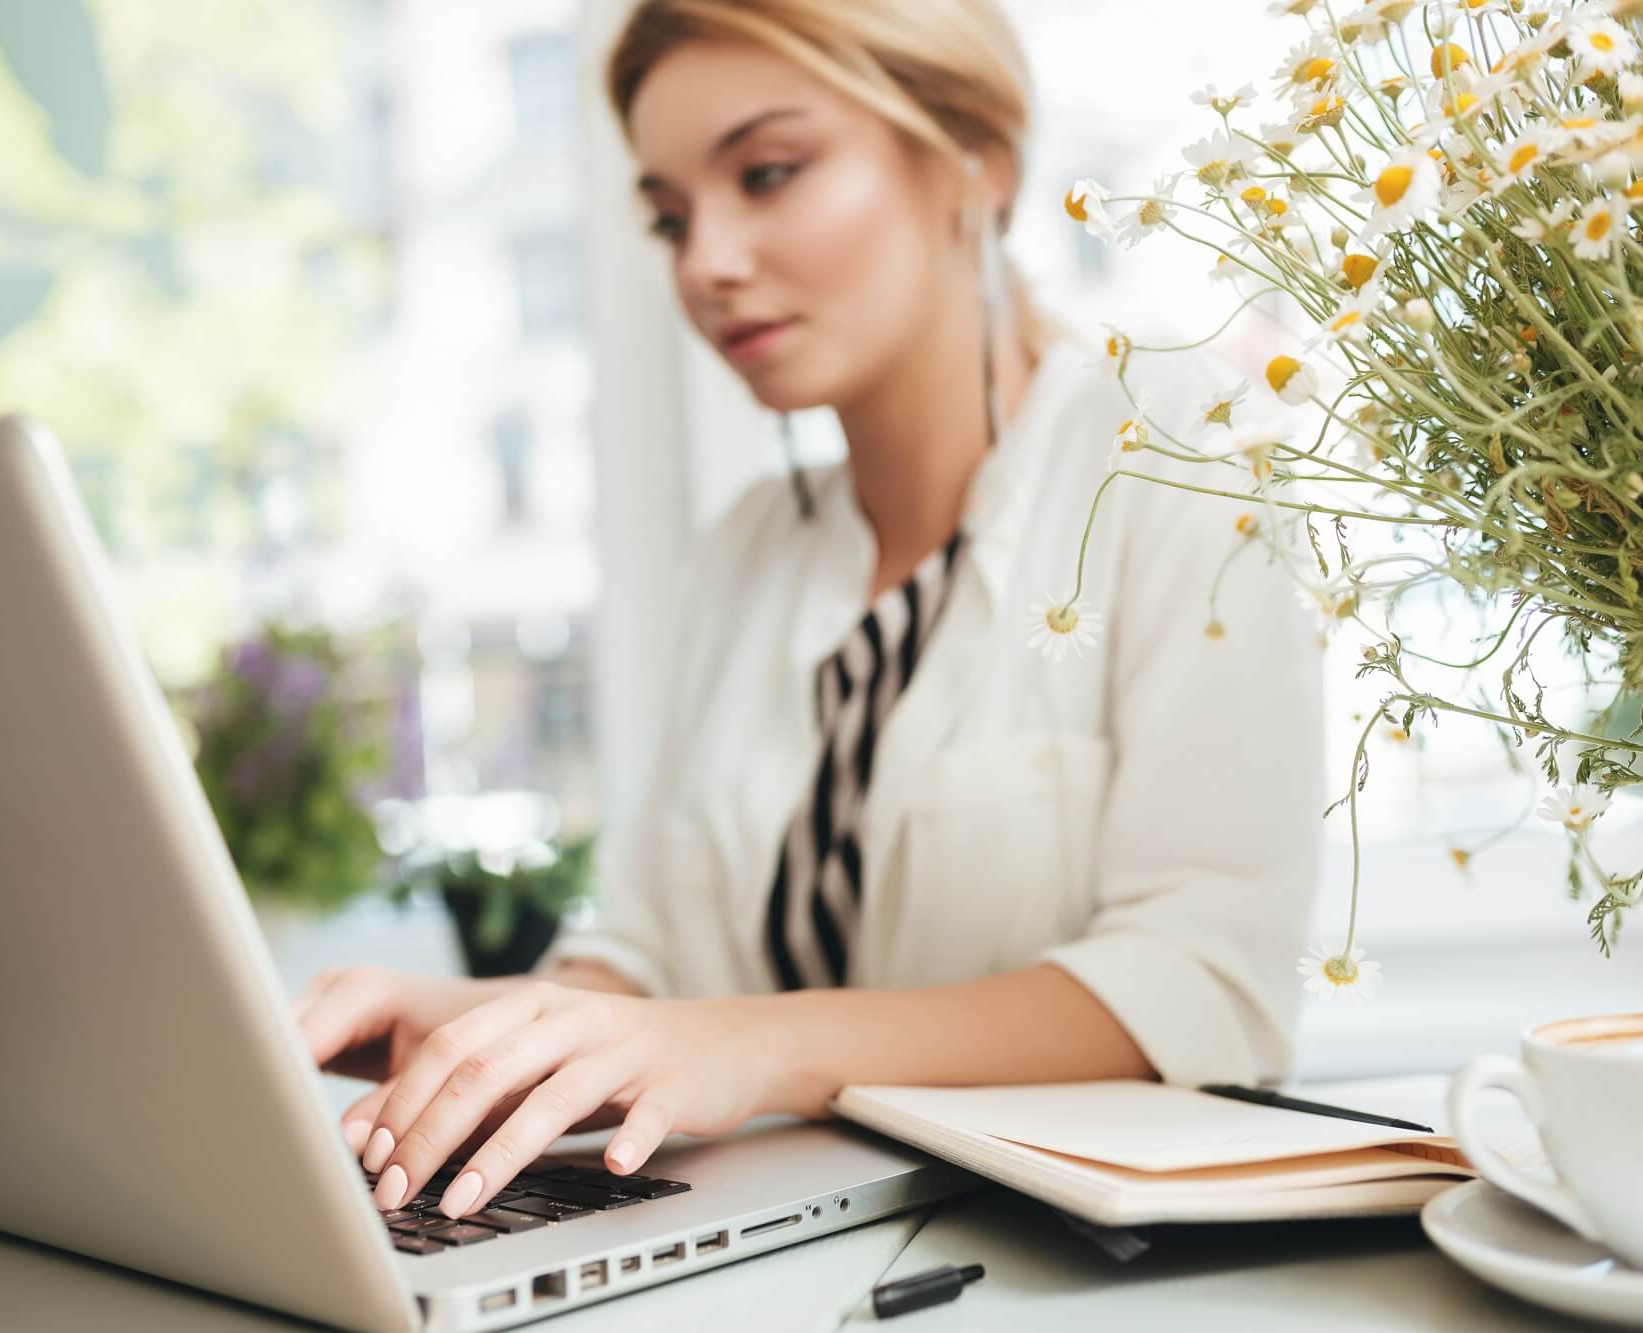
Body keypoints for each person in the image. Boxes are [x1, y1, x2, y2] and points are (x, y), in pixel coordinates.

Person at [293, 0, 1323, 1226]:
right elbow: (651, 953)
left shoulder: (1174, 453)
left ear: (972, 161)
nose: (703, 262)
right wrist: (512, 1035)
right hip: (772, 1254)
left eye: (766, 174)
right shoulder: (746, 557)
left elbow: (1200, 987)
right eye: (667, 217)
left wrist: (742, 1048)